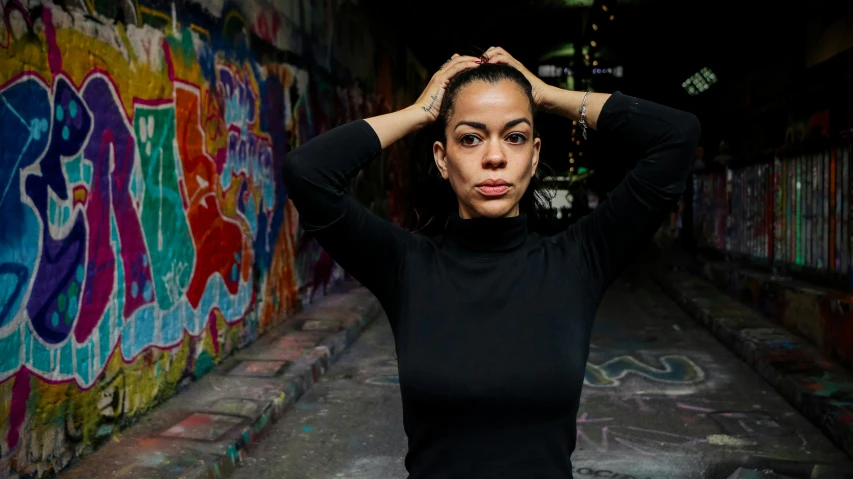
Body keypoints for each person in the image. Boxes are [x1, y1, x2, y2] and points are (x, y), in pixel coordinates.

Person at [282, 47, 700, 478]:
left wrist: (547, 94)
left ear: (534, 155)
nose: (495, 157)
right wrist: (420, 111)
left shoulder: (578, 261)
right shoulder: (405, 265)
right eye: (470, 138)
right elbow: (307, 172)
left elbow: (677, 136)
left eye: (515, 137)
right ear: (442, 159)